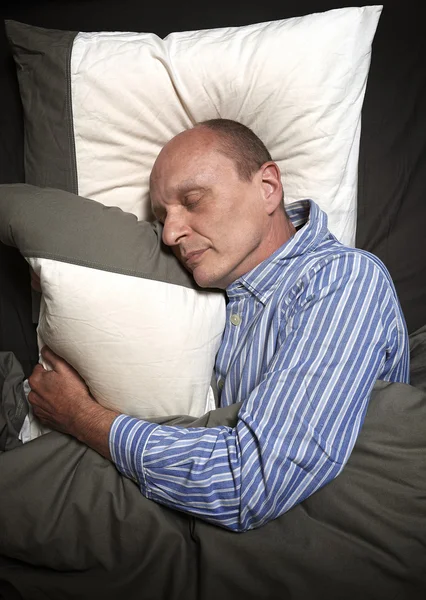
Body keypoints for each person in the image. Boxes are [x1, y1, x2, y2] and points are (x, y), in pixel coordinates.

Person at [27, 119, 410, 532]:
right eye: (162, 217)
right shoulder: (207, 300)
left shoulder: (342, 279)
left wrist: (81, 417)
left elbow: (250, 481)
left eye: (192, 200)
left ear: (268, 188)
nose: (170, 233)